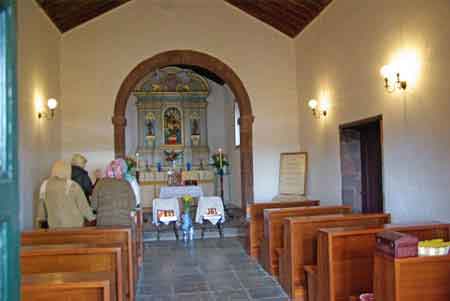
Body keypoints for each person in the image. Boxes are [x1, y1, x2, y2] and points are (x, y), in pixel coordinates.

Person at [36, 160, 96, 228]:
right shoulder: (73, 185)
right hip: (74, 227)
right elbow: (84, 207)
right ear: (68, 170)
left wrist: (40, 223)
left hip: (54, 226)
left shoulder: (44, 185)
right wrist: (92, 219)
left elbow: (41, 210)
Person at [91, 160, 136, 226]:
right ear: (120, 171)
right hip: (124, 223)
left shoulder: (100, 183)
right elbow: (133, 205)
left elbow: (93, 205)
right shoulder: (126, 183)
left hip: (103, 223)